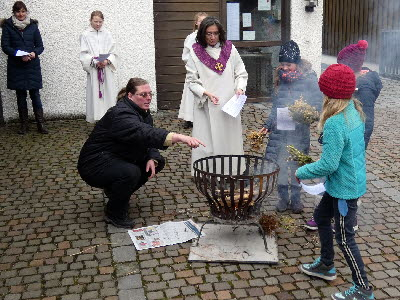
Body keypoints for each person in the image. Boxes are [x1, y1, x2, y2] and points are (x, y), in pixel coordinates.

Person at [77, 78, 205, 228]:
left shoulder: (142, 112)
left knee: (156, 162)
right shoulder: (120, 114)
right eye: (143, 94)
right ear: (130, 96)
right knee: (130, 173)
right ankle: (114, 213)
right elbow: (144, 132)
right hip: (94, 163)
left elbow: (144, 138)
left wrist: (152, 156)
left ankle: (116, 193)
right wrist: (179, 137)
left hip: (116, 156)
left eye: (150, 94)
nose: (149, 98)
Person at [297, 64, 374, 300]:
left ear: (330, 94)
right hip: (343, 183)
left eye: (324, 91)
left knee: (345, 237)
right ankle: (326, 265)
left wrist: (301, 171)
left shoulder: (335, 122)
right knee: (321, 218)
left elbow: (328, 165)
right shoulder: (354, 109)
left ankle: (363, 288)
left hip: (345, 190)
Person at [306, 40, 383, 231]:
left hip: (351, 143)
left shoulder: (362, 87)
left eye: (341, 65)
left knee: (345, 180)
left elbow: (366, 122)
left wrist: (351, 143)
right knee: (334, 179)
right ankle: (324, 215)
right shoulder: (353, 83)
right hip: (343, 139)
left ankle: (350, 221)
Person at [260, 40, 322, 213]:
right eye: (282, 64)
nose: (285, 68)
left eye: (289, 64)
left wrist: (306, 113)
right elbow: (276, 107)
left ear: (297, 63)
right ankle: (283, 198)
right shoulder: (280, 80)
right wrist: (268, 124)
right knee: (279, 165)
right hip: (280, 131)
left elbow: (318, 104)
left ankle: (296, 199)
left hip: (299, 131)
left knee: (296, 166)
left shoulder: (309, 80)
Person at [185, 16, 248, 175]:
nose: (212, 37)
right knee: (208, 141)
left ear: (220, 33)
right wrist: (205, 93)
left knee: (230, 139)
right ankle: (209, 172)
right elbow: (192, 81)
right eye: (208, 34)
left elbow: (241, 73)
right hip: (208, 104)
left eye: (215, 33)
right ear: (202, 34)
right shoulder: (195, 51)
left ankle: (233, 170)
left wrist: (240, 89)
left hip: (229, 104)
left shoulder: (229, 49)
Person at [1, 1, 48, 134]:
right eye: (18, 12)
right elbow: (5, 46)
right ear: (14, 13)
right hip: (17, 66)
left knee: (35, 95)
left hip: (32, 65)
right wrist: (19, 55)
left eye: (23, 11)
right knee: (20, 96)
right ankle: (24, 126)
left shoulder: (33, 26)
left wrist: (34, 53)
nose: (21, 14)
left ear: (26, 12)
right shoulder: (8, 26)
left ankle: (41, 124)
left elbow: (40, 46)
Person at [337, 40, 382, 148]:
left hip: (353, 146)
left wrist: (356, 149)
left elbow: (367, 123)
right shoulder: (350, 80)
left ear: (349, 66)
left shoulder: (364, 89)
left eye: (341, 65)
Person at [80, 10, 118, 123]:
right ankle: (98, 120)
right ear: (90, 20)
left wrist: (107, 60)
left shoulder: (107, 34)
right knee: (96, 95)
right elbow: (83, 54)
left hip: (106, 69)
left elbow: (114, 52)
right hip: (94, 70)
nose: (98, 24)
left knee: (109, 94)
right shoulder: (85, 35)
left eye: (100, 22)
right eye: (95, 21)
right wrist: (94, 61)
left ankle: (110, 119)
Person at [178, 12, 208, 129]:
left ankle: (203, 117)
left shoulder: (209, 37)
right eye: (201, 21)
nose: (203, 24)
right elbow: (186, 55)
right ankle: (189, 118)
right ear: (196, 23)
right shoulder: (191, 38)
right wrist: (194, 64)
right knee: (191, 95)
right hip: (194, 70)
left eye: (205, 21)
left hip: (206, 71)